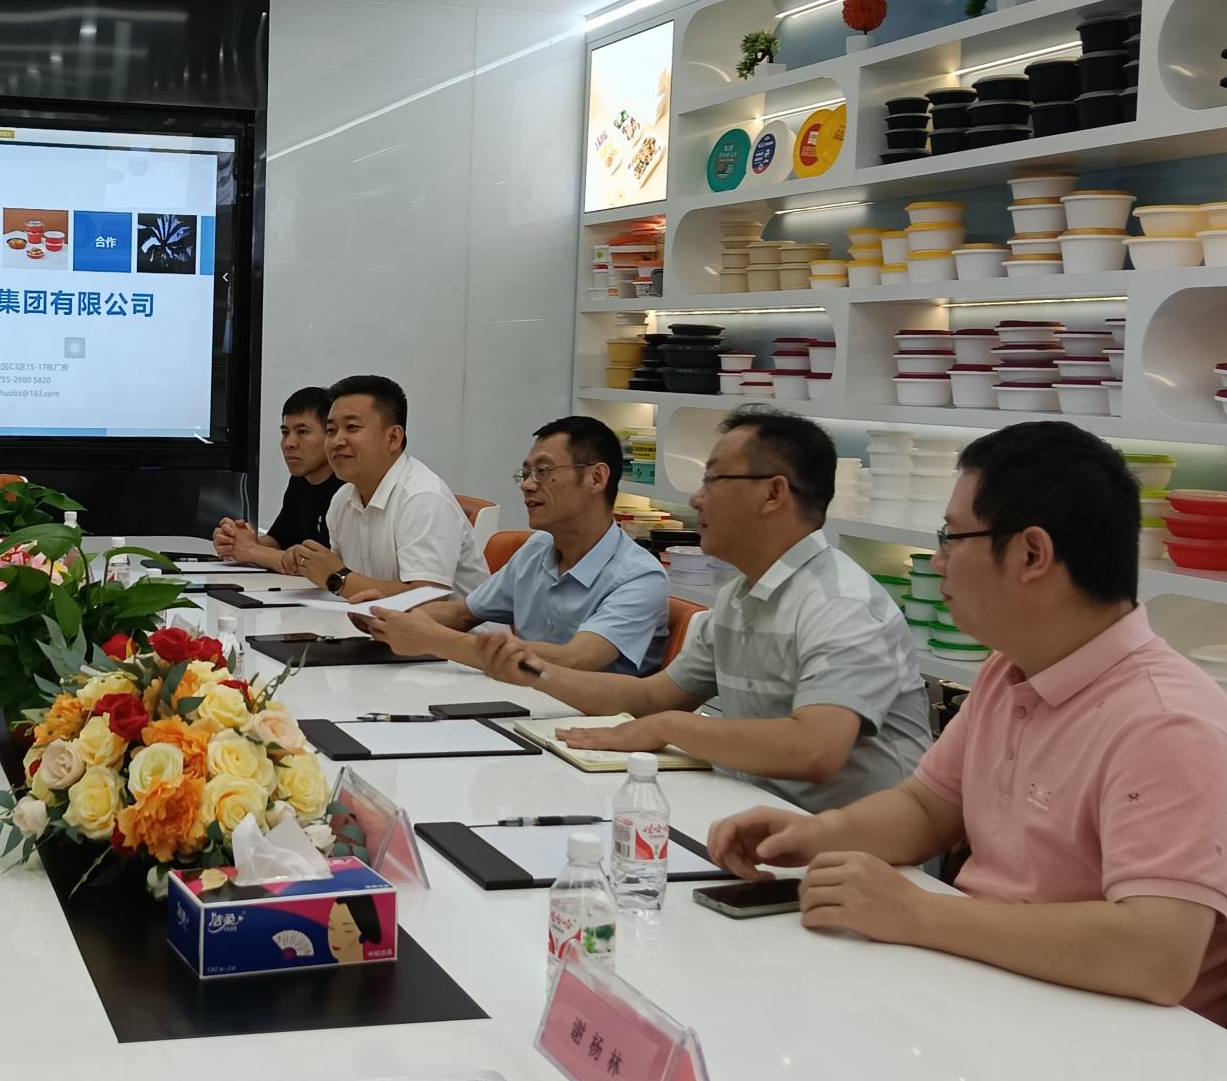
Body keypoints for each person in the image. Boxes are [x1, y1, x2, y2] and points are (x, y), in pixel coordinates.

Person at [708, 422, 1227, 1024]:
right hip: (989, 990)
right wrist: (814, 834)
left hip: (1106, 1037)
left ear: (1032, 554)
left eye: (952, 537)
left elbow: (1156, 953)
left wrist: (917, 912)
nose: (938, 560)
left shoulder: (1165, 722)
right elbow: (927, 808)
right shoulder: (1010, 668)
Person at [474, 407, 931, 813]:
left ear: (773, 493)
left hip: (855, 849)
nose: (695, 499)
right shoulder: (740, 596)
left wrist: (672, 727)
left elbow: (814, 749)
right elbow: (654, 697)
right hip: (754, 814)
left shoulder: (840, 604)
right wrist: (535, 671)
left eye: (713, 480)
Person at [357, 416, 667, 675]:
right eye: (526, 473)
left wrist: (433, 639)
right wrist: (390, 616)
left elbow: (575, 659)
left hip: (595, 722)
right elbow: (463, 613)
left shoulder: (639, 577)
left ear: (596, 478)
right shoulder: (537, 550)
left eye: (543, 472)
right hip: (526, 702)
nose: (527, 485)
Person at [287, 375, 489, 600]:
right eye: (331, 430)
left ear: (393, 437)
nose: (336, 441)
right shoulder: (342, 499)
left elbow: (429, 599)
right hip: (369, 620)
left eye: (352, 427)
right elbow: (343, 580)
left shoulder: (422, 498)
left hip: (448, 624)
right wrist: (311, 564)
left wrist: (336, 577)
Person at [211, 387, 344, 571]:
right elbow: (279, 540)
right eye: (285, 432)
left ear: (330, 434)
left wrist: (250, 550)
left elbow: (320, 567)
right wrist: (237, 541)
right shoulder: (300, 481)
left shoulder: (347, 488)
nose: (289, 443)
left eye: (302, 432)